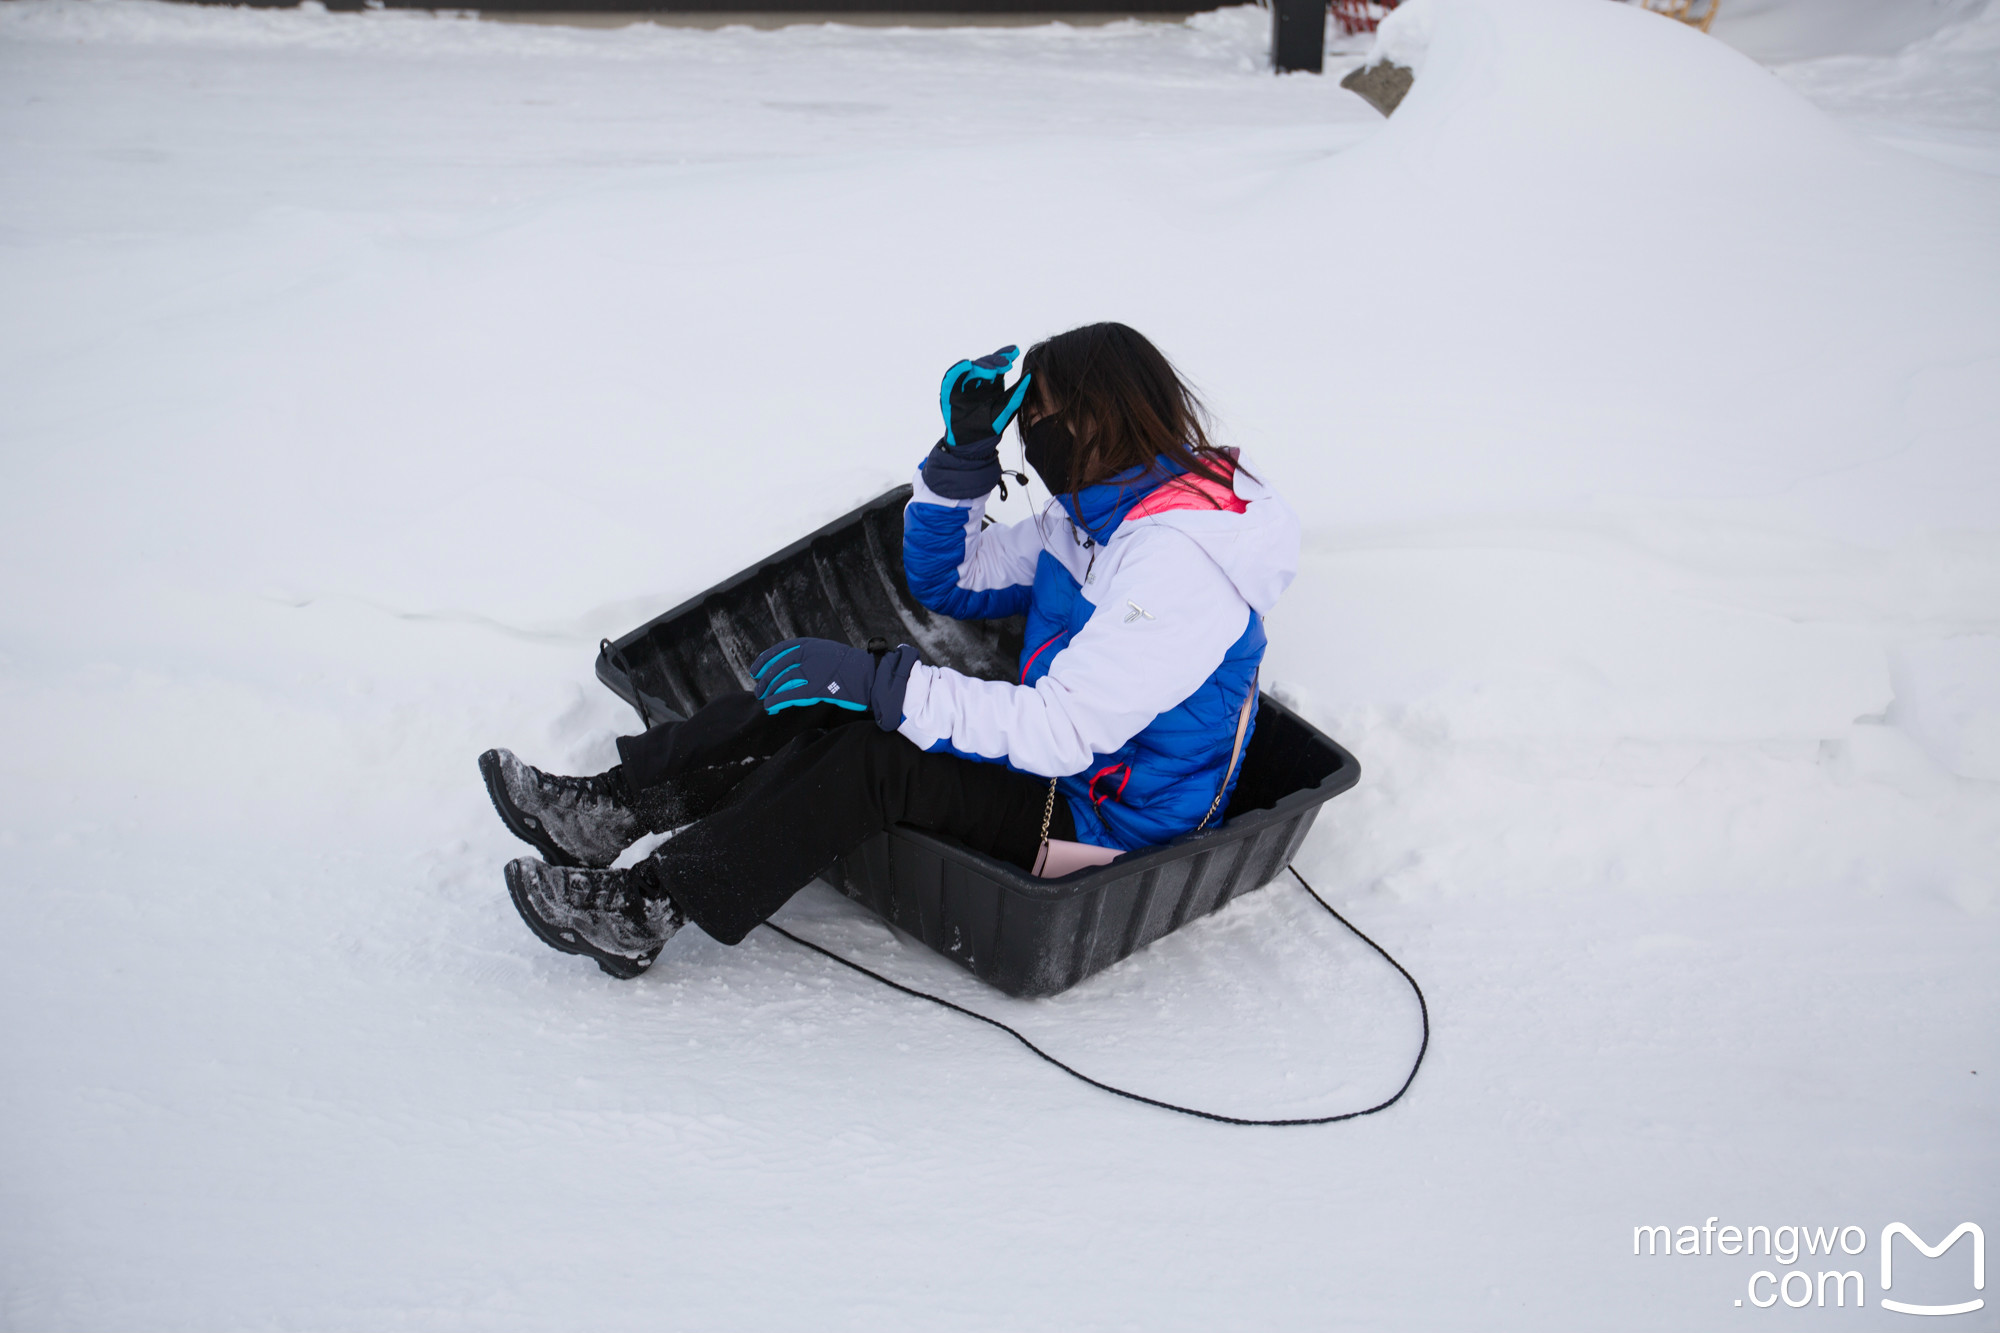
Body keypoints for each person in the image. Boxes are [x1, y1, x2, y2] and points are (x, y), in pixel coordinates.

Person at [479, 322, 1300, 978]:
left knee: (880, 750)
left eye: (1039, 417)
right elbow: (953, 578)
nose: (1030, 437)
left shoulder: (1177, 562)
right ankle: (611, 809)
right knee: (835, 688)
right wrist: (964, 461)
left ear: (1098, 414)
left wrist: (888, 689)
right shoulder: (1091, 515)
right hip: (1063, 770)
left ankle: (646, 909)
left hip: (1110, 825)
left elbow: (1063, 731)